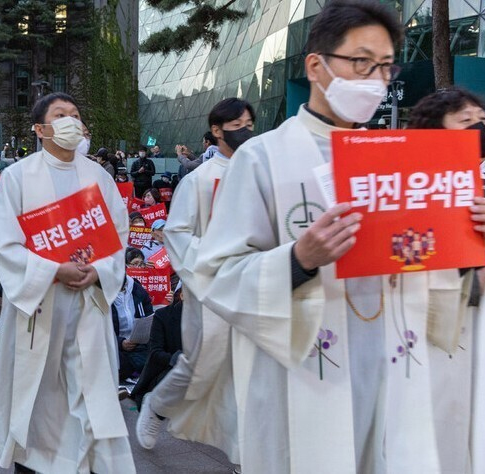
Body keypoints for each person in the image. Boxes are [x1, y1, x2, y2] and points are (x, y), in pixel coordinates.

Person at [192, 2, 483, 471]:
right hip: (305, 373)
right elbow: (216, 274)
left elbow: (428, 269)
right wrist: (299, 258)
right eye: (361, 62)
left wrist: (467, 244)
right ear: (316, 65)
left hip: (393, 365)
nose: (376, 78)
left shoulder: (400, 159)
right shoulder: (263, 157)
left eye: (386, 66)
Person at [0, 92, 134, 473]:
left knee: (89, 391)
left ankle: (87, 462)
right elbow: (5, 243)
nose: (71, 120)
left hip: (86, 302)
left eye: (75, 114)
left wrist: (99, 270)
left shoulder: (98, 177)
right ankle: (39, 462)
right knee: (39, 395)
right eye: (60, 115)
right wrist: (53, 270)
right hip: (40, 304)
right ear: (40, 129)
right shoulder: (17, 177)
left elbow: (118, 234)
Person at [136, 98, 255, 458]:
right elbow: (177, 234)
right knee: (200, 363)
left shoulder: (260, 171)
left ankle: (243, 454)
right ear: (217, 131)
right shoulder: (200, 179)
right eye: (237, 125)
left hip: (255, 282)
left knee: (250, 366)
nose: (246, 131)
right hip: (211, 285)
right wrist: (207, 265)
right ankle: (157, 404)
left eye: (250, 123)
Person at [407, 87, 485, 473]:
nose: (479, 127)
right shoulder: (412, 185)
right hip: (427, 329)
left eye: (481, 119)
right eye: (466, 121)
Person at [130, 288, 184, 408]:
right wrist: (178, 359)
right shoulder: (163, 315)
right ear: (182, 295)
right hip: (168, 369)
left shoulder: (205, 318)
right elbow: (155, 352)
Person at [112, 270, 154, 382]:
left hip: (140, 343)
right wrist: (121, 343)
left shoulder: (137, 290)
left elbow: (149, 314)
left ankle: (136, 370)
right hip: (116, 346)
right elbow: (100, 332)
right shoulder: (101, 295)